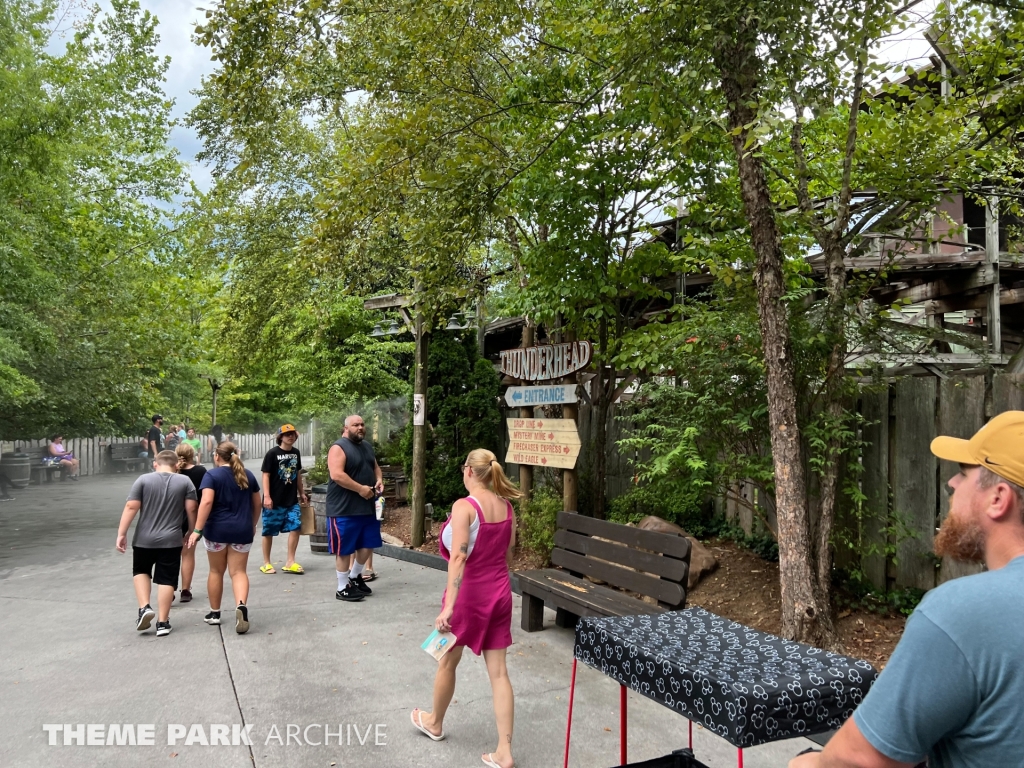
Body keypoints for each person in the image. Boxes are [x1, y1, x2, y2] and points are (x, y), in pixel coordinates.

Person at [790, 410, 1024, 768]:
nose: (952, 484)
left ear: (998, 498)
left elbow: (859, 761)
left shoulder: (962, 613)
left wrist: (806, 764)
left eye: (964, 474)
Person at [410, 449, 522, 768]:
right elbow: (509, 555)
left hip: (469, 595)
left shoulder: (464, 507)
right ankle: (504, 751)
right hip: (500, 592)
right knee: (499, 673)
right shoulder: (506, 507)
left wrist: (449, 607)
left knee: (447, 661)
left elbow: (458, 558)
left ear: (468, 471)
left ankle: (434, 722)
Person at [115, 450, 198, 637]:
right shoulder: (185, 481)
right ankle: (163, 622)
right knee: (167, 579)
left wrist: (122, 533)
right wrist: (192, 531)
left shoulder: (143, 480)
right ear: (177, 465)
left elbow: (131, 506)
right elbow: (192, 508)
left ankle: (144, 607)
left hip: (143, 539)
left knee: (141, 571)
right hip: (172, 539)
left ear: (155, 464)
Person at [187, 441, 261, 634]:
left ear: (217, 456)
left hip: (216, 531)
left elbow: (207, 502)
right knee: (238, 572)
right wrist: (252, 524)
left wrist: (197, 530)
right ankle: (241, 605)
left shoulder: (212, 475)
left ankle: (215, 613)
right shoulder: (248, 475)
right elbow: (257, 504)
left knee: (216, 571)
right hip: (242, 531)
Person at [325, 415, 384, 602]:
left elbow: (375, 468)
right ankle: (342, 587)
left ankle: (354, 577)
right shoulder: (338, 447)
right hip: (344, 509)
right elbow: (336, 475)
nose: (360, 427)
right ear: (346, 428)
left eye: (362, 424)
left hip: (367, 507)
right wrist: (360, 489)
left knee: (368, 544)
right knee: (344, 549)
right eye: (355, 425)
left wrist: (379, 480)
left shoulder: (366, 446)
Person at [259, 424, 308, 575]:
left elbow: (298, 474)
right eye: (287, 434)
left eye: (293, 434)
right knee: (269, 531)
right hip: (274, 500)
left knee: (295, 527)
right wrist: (267, 496)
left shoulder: (296, 453)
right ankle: (266, 563)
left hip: (291, 499)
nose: (290, 437)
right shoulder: (272, 453)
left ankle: (290, 561)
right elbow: (265, 475)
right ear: (280, 437)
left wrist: (302, 492)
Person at [175, 443, 207, 603]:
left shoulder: (172, 471)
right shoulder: (200, 471)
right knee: (188, 554)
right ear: (193, 454)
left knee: (171, 555)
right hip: (191, 516)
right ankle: (185, 590)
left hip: (172, 516)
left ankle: (169, 587)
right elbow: (204, 495)